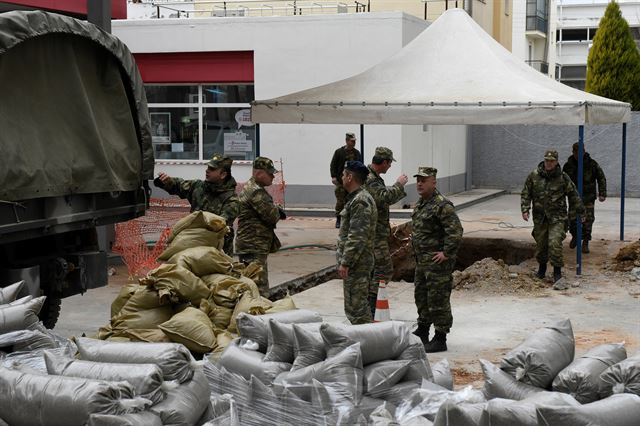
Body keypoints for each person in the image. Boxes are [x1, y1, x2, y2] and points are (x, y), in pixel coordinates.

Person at [411, 167, 463, 353]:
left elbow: (455, 231)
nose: (419, 183)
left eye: (424, 180)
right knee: (422, 297)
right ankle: (423, 330)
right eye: (418, 180)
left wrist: (446, 253)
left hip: (437, 265)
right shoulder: (421, 204)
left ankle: (440, 337)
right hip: (422, 263)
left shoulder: (442, 205)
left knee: (438, 299)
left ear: (434, 182)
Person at [154, 154, 239, 255]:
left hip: (218, 250)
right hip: (194, 244)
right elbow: (179, 185)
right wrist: (167, 181)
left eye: (212, 169)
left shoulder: (231, 199)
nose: (207, 171)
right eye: (207, 167)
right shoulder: (198, 187)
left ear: (223, 175)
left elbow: (220, 224)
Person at [521, 150, 585, 282]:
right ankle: (542, 270)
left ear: (556, 162)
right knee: (541, 245)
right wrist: (525, 209)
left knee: (554, 242)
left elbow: (573, 195)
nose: (549, 163)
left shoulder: (562, 177)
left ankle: (557, 272)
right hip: (540, 218)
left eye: (551, 161)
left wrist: (581, 211)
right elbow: (526, 193)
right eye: (547, 161)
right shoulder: (534, 176)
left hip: (558, 218)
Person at [364, 147, 408, 317]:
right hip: (374, 234)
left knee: (376, 269)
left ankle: (371, 302)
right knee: (384, 269)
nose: (390, 166)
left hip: (377, 232)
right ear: (384, 162)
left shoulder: (374, 178)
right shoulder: (370, 179)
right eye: (389, 163)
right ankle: (372, 303)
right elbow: (384, 198)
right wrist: (399, 184)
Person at [235, 156, 286, 296]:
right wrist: (277, 210)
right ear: (258, 173)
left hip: (251, 245)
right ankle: (258, 314)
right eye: (269, 173)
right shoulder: (256, 191)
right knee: (258, 288)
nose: (272, 176)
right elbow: (272, 216)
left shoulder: (252, 188)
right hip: (253, 245)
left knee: (251, 284)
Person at [336, 160, 377, 325]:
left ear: (350, 177)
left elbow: (357, 235)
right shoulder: (356, 198)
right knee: (355, 307)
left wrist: (346, 262)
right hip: (357, 262)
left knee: (357, 310)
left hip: (357, 264)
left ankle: (367, 344)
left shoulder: (360, 201)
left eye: (343, 174)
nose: (341, 177)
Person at [562, 143, 607, 254]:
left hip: (588, 197)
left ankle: (585, 241)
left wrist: (602, 193)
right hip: (574, 197)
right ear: (573, 152)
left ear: (584, 151)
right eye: (576, 152)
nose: (578, 154)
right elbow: (562, 181)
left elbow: (601, 177)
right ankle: (575, 236)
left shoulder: (592, 164)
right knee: (572, 219)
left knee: (588, 219)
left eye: (580, 152)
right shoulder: (568, 165)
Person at [330, 132, 362, 228]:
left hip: (353, 182)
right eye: (352, 141)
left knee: (353, 200)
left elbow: (360, 166)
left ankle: (351, 219)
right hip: (341, 181)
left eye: (354, 141)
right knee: (340, 200)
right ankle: (339, 219)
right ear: (347, 141)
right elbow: (333, 165)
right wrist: (333, 176)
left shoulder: (357, 153)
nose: (353, 143)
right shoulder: (339, 152)